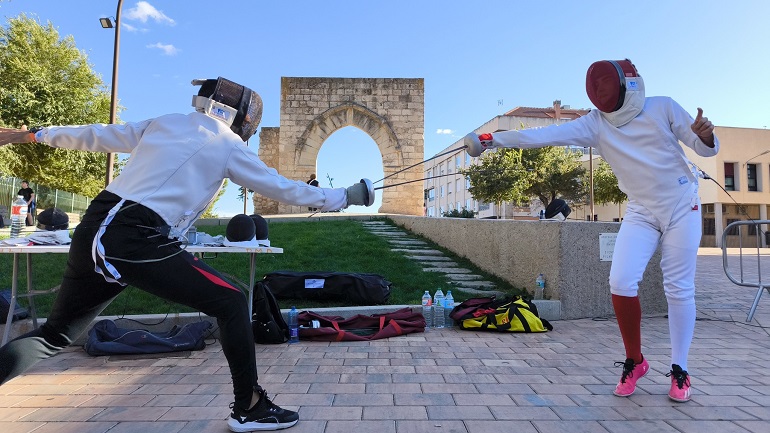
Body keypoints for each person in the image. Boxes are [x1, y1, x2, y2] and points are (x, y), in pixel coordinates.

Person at [0, 76, 375, 432]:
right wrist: (344, 196)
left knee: (55, 335)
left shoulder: (166, 122)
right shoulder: (226, 143)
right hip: (131, 235)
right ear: (241, 116)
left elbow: (97, 135)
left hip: (104, 229)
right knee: (230, 300)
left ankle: (250, 406)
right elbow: (281, 188)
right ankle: (249, 407)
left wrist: (32, 134)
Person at [465, 59, 718, 403]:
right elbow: (544, 136)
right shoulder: (597, 124)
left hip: (681, 204)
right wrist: (492, 139)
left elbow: (704, 147)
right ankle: (636, 360)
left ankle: (680, 369)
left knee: (678, 287)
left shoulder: (663, 107)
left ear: (627, 85)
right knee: (621, 281)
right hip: (641, 210)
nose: (601, 94)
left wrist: (706, 136)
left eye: (606, 87)